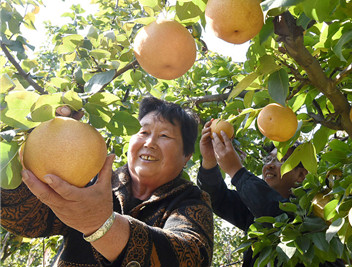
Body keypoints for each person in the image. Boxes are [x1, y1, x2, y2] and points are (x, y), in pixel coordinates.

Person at [1, 96, 214, 266]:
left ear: (186, 156)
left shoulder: (191, 201)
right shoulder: (90, 182)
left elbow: (191, 256)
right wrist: (38, 149)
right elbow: (28, 221)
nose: (149, 142)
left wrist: (101, 225)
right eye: (143, 131)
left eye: (165, 136)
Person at [197, 120, 344, 266]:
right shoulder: (254, 211)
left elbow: (277, 212)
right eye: (268, 159)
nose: (269, 165)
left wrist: (237, 172)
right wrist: (209, 161)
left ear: (301, 175)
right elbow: (215, 198)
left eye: (280, 160)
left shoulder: (315, 210)